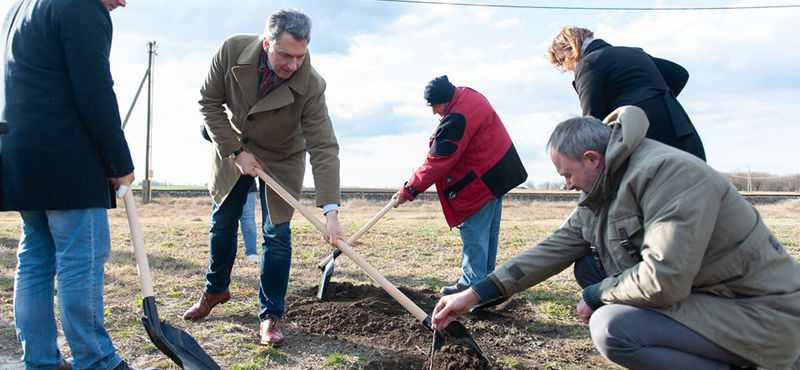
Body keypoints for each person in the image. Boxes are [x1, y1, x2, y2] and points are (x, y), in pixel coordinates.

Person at [431, 106, 800, 370]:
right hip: (708, 300)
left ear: (592, 159)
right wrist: (474, 294)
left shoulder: (670, 176)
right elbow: (552, 249)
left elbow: (664, 278)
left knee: (613, 328)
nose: (566, 184)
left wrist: (596, 296)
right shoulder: (603, 187)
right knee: (589, 267)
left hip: (761, 314)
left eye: (567, 174)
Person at [0, 0, 157, 369]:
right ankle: (96, 360)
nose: (124, 2)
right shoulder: (82, 5)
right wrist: (119, 161)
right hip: (66, 158)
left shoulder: (22, 7)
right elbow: (95, 89)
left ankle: (40, 361)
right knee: (80, 262)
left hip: (22, 153)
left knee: (35, 260)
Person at [186, 8, 345, 348]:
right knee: (223, 221)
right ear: (266, 42)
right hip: (234, 145)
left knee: (276, 235)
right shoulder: (232, 51)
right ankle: (216, 290)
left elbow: (323, 146)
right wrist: (235, 152)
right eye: (285, 55)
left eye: (300, 56)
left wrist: (331, 211)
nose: (293, 65)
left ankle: (270, 315)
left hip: (283, 156)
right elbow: (208, 102)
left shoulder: (311, 85)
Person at [392, 75, 527, 295]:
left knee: (474, 233)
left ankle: (472, 287)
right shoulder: (468, 95)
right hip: (496, 176)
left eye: (435, 106)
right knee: (487, 235)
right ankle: (485, 285)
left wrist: (408, 190)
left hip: (478, 184)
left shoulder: (457, 118)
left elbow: (437, 161)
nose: (434, 112)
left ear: (445, 100)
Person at [547, 26, 706, 161]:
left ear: (570, 48)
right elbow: (679, 74)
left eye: (562, 61)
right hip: (680, 129)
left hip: (645, 140)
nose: (567, 68)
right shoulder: (635, 53)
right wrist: (658, 101)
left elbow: (593, 119)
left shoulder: (588, 63)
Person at [201, 125, 259, 263]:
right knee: (222, 224)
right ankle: (219, 272)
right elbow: (206, 130)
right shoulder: (219, 121)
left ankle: (251, 252)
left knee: (247, 219)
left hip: (248, 181)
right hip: (225, 180)